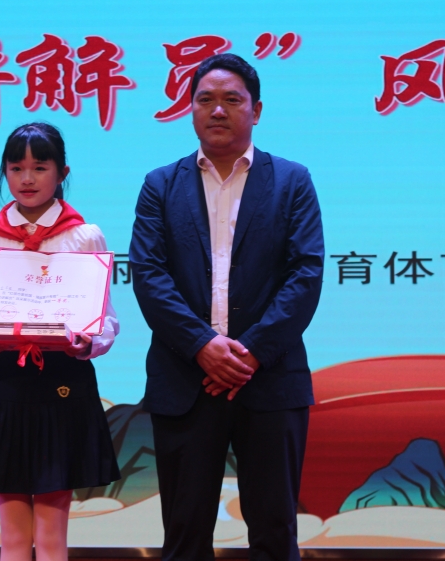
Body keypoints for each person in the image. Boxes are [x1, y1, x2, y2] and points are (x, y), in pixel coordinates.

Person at [129, 54, 324, 561]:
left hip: (271, 380)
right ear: (190, 109)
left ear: (256, 110)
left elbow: (305, 274)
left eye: (232, 100)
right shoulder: (160, 185)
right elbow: (148, 275)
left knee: (275, 534)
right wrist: (203, 346)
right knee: (185, 537)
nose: (218, 110)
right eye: (206, 100)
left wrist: (249, 353)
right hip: (185, 381)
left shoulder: (292, 181)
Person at [0, 122, 120, 561]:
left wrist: (88, 343)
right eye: (16, 168)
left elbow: (106, 321)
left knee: (50, 536)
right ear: (4, 172)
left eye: (40, 168)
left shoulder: (85, 235)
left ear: (62, 172)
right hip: (5, 384)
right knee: (11, 538)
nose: (27, 179)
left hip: (63, 383)